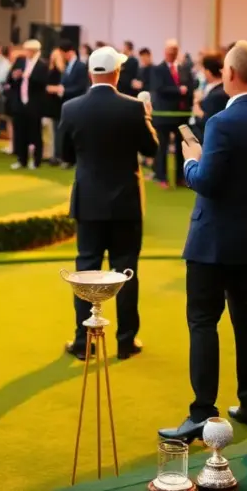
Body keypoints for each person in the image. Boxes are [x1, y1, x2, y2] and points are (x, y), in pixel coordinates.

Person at [158, 41, 247, 443]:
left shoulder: (220, 122)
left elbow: (206, 182)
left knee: (202, 322)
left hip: (213, 239)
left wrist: (191, 159)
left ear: (230, 73)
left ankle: (201, 413)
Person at [59, 46, 159, 360]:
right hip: (125, 203)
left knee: (85, 269)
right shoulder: (132, 108)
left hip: (89, 201)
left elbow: (64, 155)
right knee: (127, 270)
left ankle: (82, 340)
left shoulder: (71, 108)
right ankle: (126, 341)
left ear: (91, 73)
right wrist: (148, 116)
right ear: (117, 72)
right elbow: (151, 149)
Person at [150, 39, 195, 188]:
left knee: (181, 147)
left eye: (175, 50)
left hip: (181, 115)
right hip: (163, 115)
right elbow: (159, 88)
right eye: (170, 50)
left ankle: (180, 178)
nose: (172, 53)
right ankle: (162, 177)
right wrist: (178, 91)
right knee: (162, 147)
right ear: (165, 52)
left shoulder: (184, 69)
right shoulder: (158, 69)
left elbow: (189, 87)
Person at [8, 39, 48, 170]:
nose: (25, 52)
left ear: (34, 51)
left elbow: (43, 82)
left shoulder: (42, 64)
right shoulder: (20, 62)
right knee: (20, 132)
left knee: (35, 133)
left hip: (34, 103)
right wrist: (15, 76)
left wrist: (27, 76)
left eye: (28, 50)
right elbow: (10, 79)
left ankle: (36, 160)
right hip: (20, 102)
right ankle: (21, 159)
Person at [192, 53, 228, 142]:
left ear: (208, 71)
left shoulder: (217, 94)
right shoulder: (219, 89)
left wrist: (196, 103)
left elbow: (208, 120)